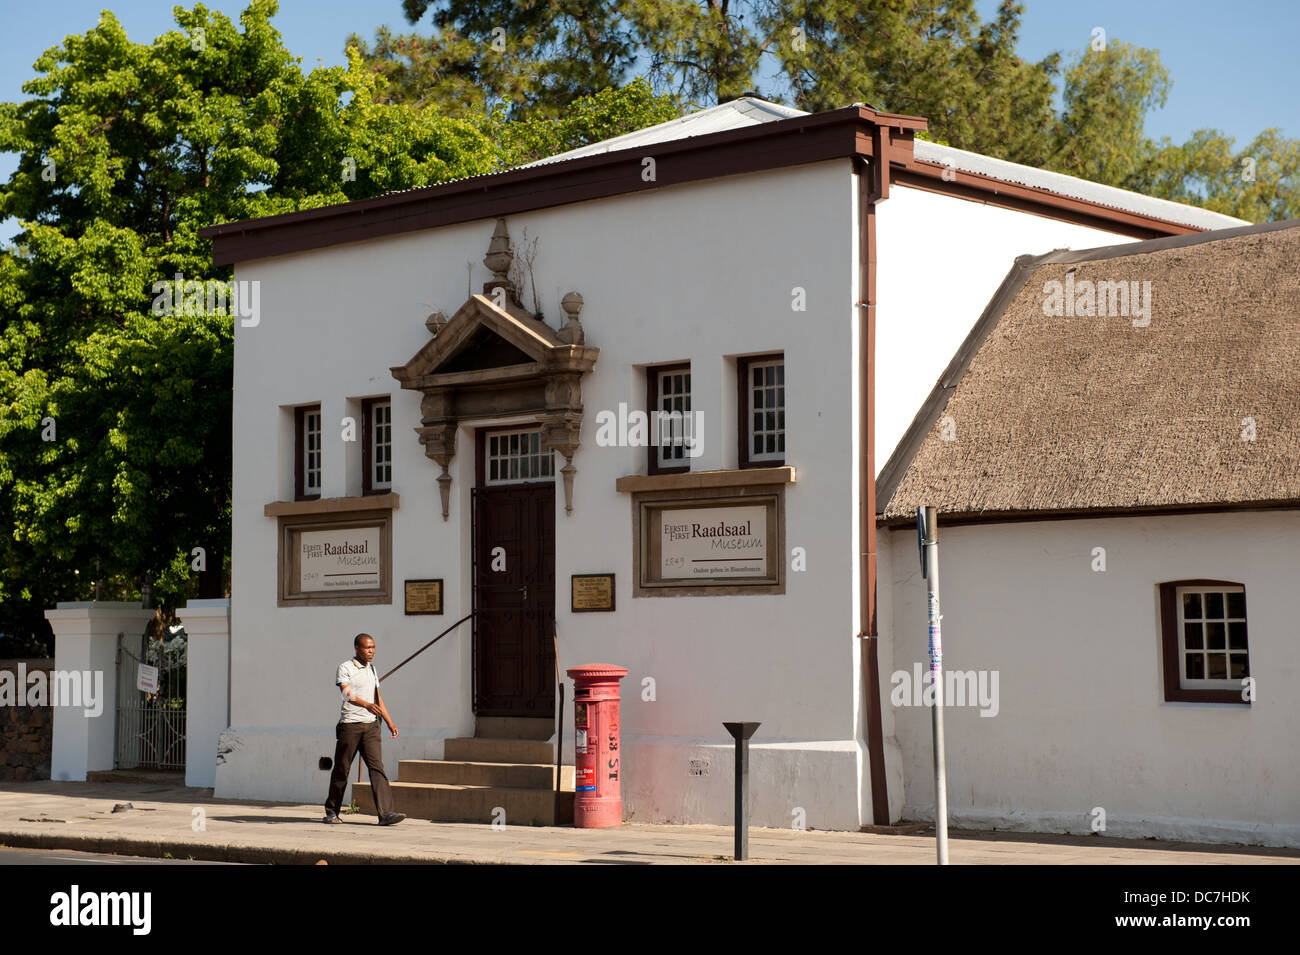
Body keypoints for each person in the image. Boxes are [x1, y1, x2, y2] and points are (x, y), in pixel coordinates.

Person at [323, 633, 406, 826]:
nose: (371, 651)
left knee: (377, 768)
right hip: (350, 726)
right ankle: (331, 811)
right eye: (367, 648)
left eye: (373, 647)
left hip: (371, 727)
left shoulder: (373, 669)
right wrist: (365, 704)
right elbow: (346, 693)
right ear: (357, 648)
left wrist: (389, 722)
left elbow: (378, 698)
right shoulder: (345, 668)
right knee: (342, 769)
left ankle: (386, 814)